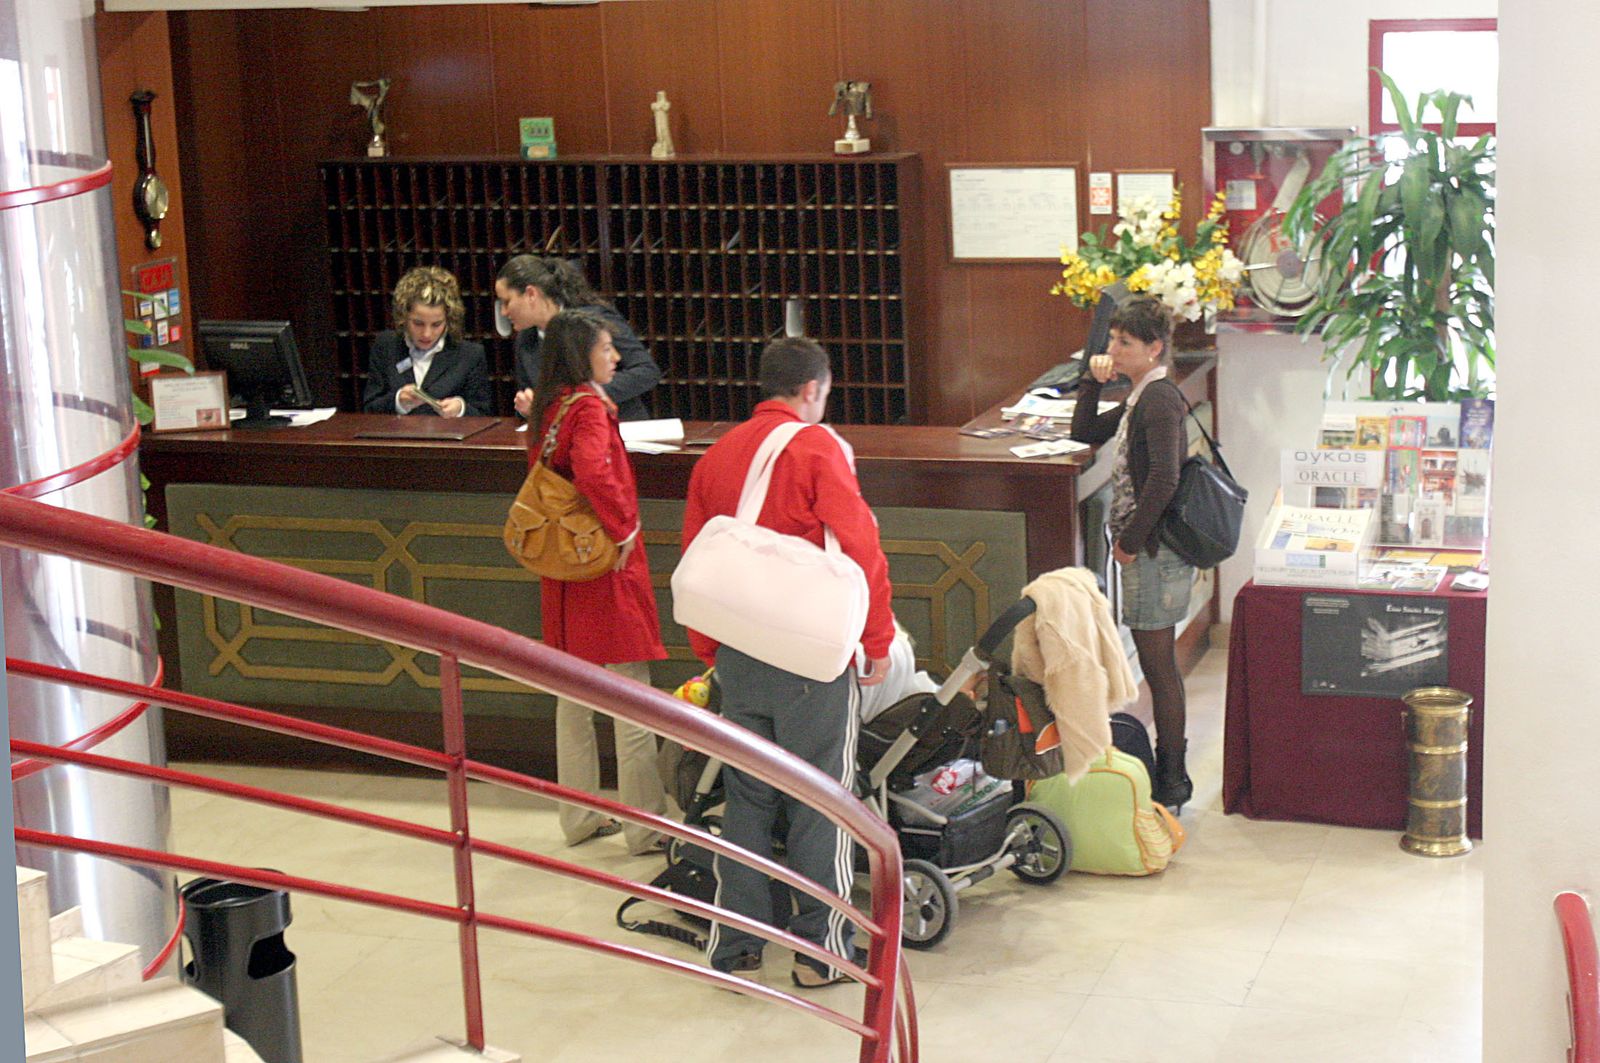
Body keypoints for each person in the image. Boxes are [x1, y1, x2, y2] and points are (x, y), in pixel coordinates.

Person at [680, 336, 896, 987]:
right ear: (812, 390)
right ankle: (819, 949)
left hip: (739, 655)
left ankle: (735, 945)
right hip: (809, 658)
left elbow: (698, 559)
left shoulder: (716, 453)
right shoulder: (816, 446)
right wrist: (877, 639)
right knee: (821, 799)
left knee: (744, 797)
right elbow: (861, 546)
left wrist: (712, 652)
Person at [530, 308, 668, 855]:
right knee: (632, 697)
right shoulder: (589, 408)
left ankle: (579, 817)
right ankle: (646, 826)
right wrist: (623, 525)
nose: (616, 356)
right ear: (581, 353)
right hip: (603, 564)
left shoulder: (552, 404)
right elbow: (593, 470)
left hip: (565, 569)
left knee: (573, 697)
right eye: (607, 348)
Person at [1070, 295, 1195, 811]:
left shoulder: (1160, 398)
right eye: (1112, 339)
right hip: (1148, 549)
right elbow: (1086, 433)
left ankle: (1173, 779)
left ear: (1154, 348)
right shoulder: (1142, 393)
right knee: (1155, 662)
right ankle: (1170, 775)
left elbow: (1164, 476)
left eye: (1124, 343)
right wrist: (1091, 383)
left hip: (1155, 552)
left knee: (1159, 667)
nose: (1113, 349)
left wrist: (1128, 541)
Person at [495, 254, 661, 422]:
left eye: (506, 302)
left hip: (618, 427)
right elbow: (533, 398)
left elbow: (646, 371)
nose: (503, 312)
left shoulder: (592, 320)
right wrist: (528, 408)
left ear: (531, 294)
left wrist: (580, 396)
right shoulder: (526, 340)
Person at [361, 266, 491, 417]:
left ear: (448, 319)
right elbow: (369, 409)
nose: (427, 334)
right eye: (418, 323)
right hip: (398, 438)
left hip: (448, 438)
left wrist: (461, 409)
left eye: (436, 324)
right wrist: (398, 401)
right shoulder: (386, 346)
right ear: (404, 316)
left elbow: (484, 414)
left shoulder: (470, 355)